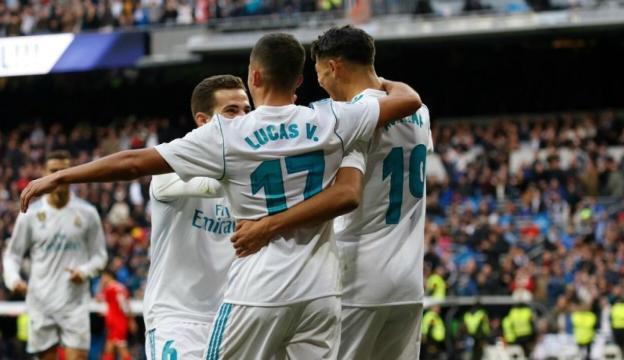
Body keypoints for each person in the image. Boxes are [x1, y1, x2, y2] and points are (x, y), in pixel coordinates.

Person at [19, 33, 422, 359]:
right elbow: (407, 102)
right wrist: (380, 81)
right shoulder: (330, 118)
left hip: (259, 290)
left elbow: (132, 162)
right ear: (300, 80)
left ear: (255, 76)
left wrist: (63, 177)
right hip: (321, 294)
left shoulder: (228, 137)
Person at [313, 25, 433, 360]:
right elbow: (406, 100)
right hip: (408, 283)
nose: (320, 81)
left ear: (333, 67)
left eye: (320, 72)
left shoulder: (346, 116)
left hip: (359, 279)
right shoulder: (420, 113)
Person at [143, 75, 250, 360]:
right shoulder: (168, 168)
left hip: (235, 315)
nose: (242, 119)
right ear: (203, 121)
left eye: (246, 110)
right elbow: (214, 184)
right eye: (231, 111)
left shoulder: (251, 168)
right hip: (177, 316)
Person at [4, 150, 108, 360]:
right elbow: (12, 256)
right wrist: (14, 280)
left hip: (74, 302)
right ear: (44, 173)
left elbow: (100, 256)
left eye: (64, 171)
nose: (59, 176)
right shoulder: (30, 215)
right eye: (53, 171)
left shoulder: (87, 213)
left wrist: (85, 271)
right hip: (41, 302)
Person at [100, 269, 134, 360]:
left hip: (117, 322)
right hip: (116, 321)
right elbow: (125, 305)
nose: (102, 279)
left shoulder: (110, 288)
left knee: (121, 347)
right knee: (109, 347)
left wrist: (131, 320)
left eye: (103, 276)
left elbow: (124, 306)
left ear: (108, 276)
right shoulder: (121, 287)